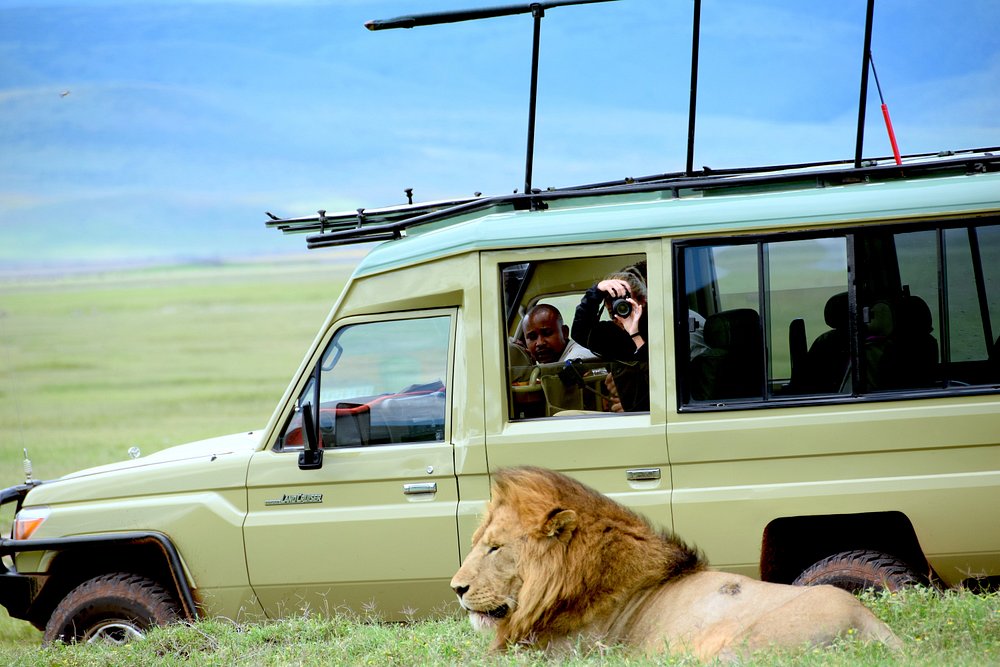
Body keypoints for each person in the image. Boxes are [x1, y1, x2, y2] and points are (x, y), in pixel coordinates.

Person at [571, 265, 649, 412]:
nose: (620, 314)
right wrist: (596, 292)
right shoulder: (614, 334)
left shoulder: (660, 329)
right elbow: (580, 332)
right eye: (613, 310)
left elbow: (658, 378)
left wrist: (635, 334)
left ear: (643, 301)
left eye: (625, 304)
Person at [522, 303, 592, 364]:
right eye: (532, 337)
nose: (540, 343)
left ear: (565, 332)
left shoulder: (578, 359)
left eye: (547, 333)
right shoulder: (557, 361)